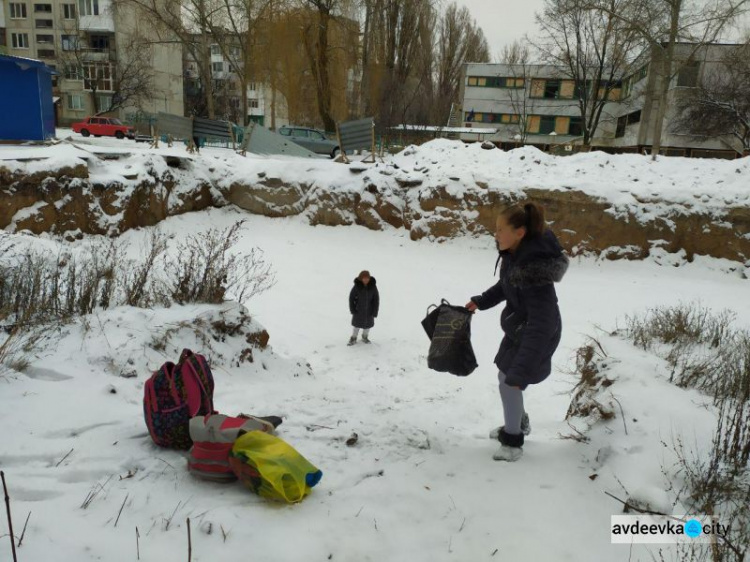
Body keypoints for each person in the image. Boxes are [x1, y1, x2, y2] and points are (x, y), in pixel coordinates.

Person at [466, 203, 568, 462]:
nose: (496, 234)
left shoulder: (534, 271)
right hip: (519, 328)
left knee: (511, 380)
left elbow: (542, 324)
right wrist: (482, 300)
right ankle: (517, 421)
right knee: (505, 377)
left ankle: (512, 441)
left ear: (520, 232)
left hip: (536, 333)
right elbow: (506, 285)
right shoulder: (516, 255)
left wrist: (523, 369)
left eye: (501, 229)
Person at [348, 270, 379, 345]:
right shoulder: (357, 286)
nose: (366, 280)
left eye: (367, 278)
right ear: (361, 279)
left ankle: (364, 337)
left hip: (369, 311)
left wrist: (375, 311)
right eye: (364, 278)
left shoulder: (373, 287)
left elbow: (376, 300)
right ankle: (353, 338)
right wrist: (353, 309)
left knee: (367, 326)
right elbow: (351, 298)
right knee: (356, 325)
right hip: (358, 310)